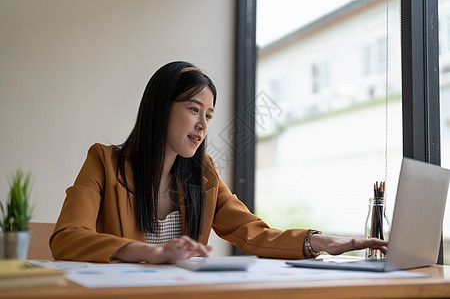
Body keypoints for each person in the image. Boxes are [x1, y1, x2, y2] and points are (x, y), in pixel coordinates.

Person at [49, 61, 387, 264]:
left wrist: (319, 241)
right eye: (193, 109)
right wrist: (149, 253)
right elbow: (66, 237)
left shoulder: (203, 174)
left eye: (208, 115)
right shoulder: (104, 162)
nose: (203, 125)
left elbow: (253, 233)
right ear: (160, 108)